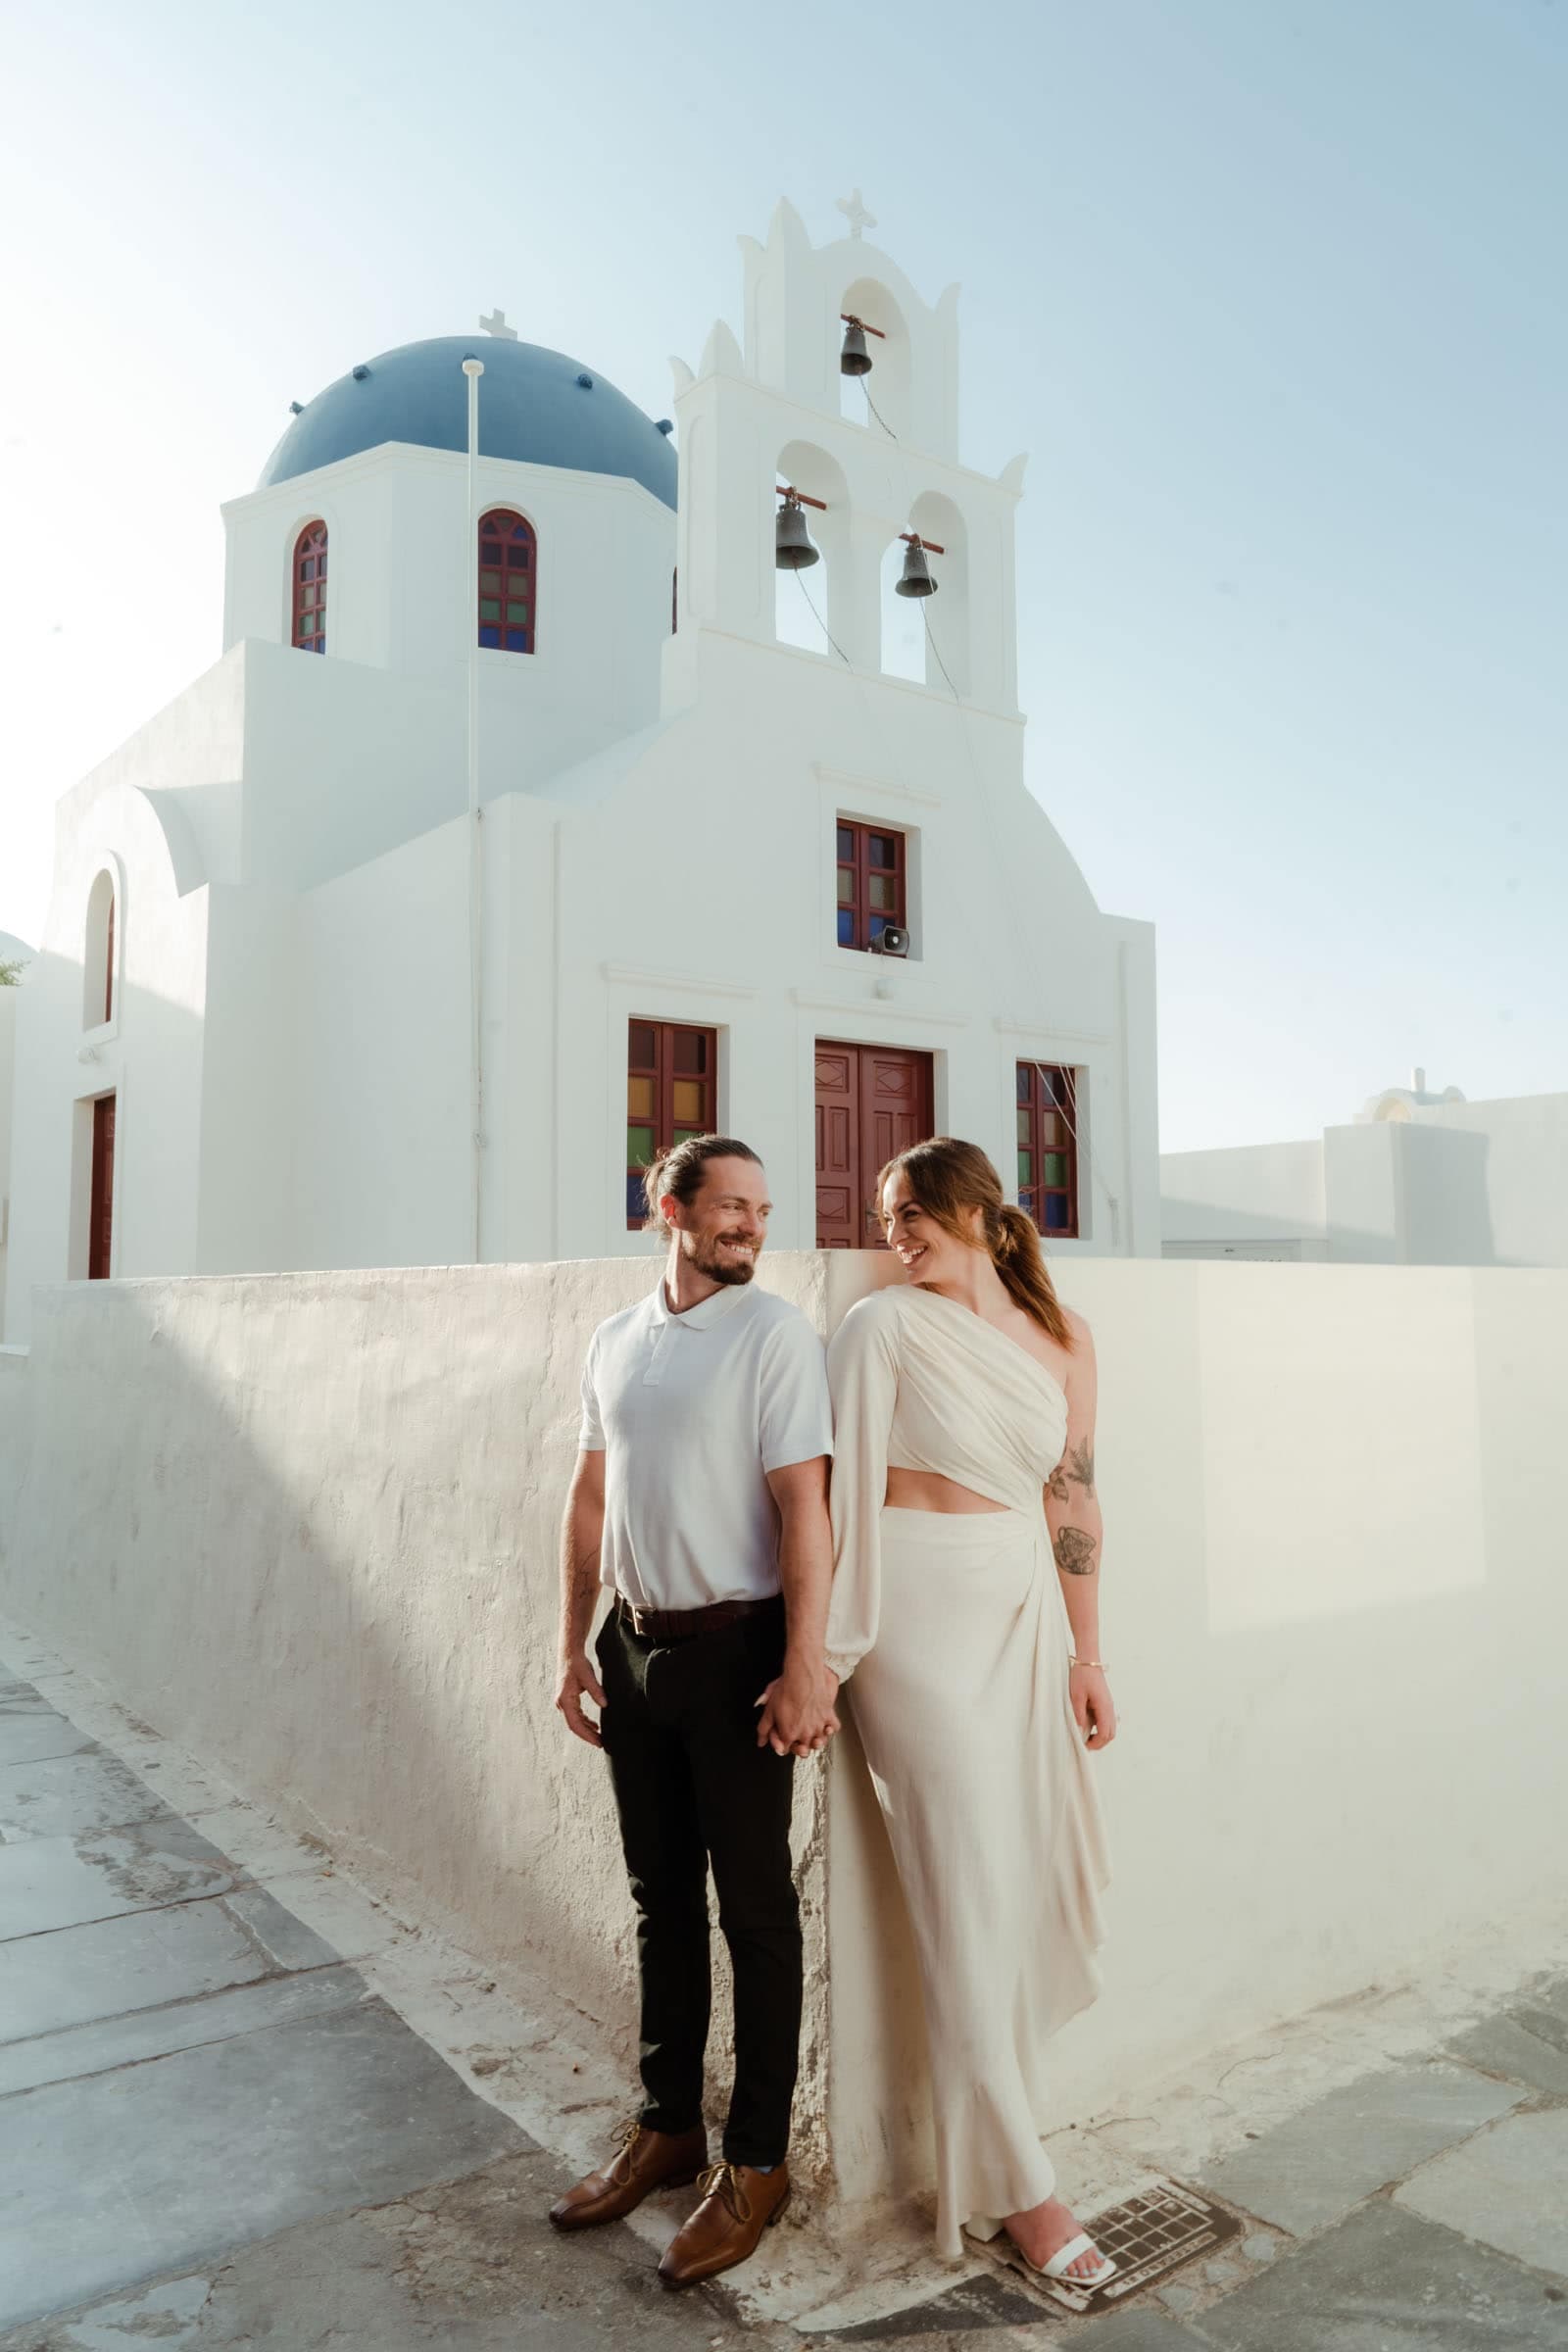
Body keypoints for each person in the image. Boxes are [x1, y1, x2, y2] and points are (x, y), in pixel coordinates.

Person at [824, 1136, 1116, 2289]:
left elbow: (1074, 1493)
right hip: (908, 1619)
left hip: (1020, 1613)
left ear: (980, 1214)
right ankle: (1029, 2195)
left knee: (1004, 1880)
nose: (895, 1235)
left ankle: (997, 2165)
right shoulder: (880, 1328)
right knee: (959, 1888)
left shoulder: (1067, 1338)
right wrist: (821, 1651)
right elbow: (839, 1489)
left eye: (913, 1214)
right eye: (886, 1217)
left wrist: (1090, 1653)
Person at [551, 1135, 838, 2289]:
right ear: (666, 1208)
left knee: (754, 1912)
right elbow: (588, 1494)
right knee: (658, 1900)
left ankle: (755, 2161)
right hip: (631, 1650)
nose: (749, 1229)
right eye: (728, 1207)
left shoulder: (773, 1336)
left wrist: (805, 1661)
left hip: (737, 1655)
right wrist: (569, 1641)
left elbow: (801, 1505)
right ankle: (669, 2126)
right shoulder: (613, 1340)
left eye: (760, 1212)